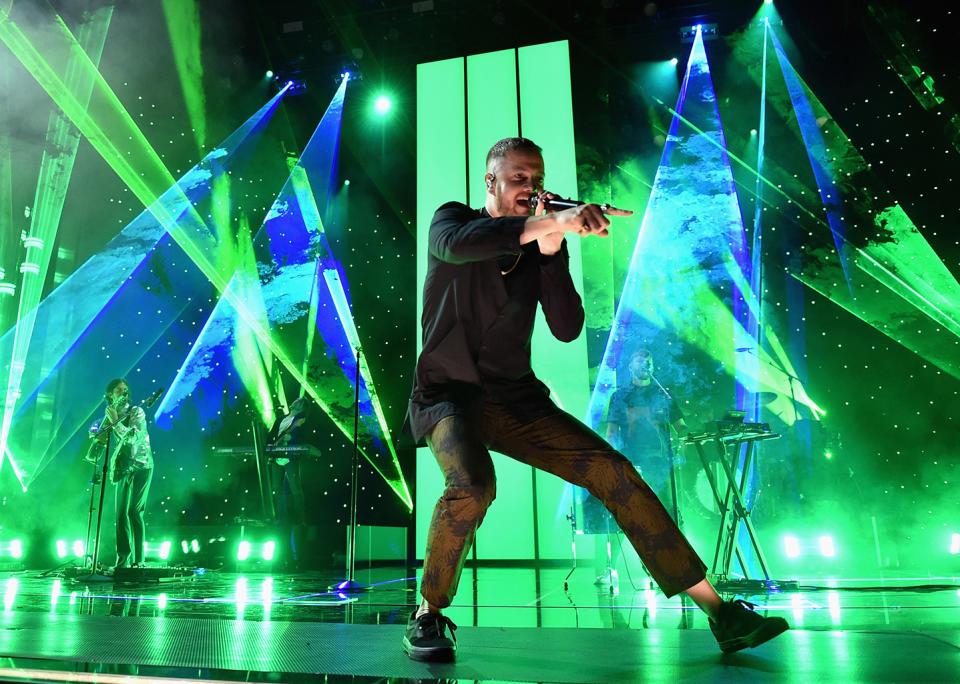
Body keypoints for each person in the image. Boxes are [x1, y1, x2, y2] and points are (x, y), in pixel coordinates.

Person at [403, 137, 788, 661]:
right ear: (491, 182)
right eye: (518, 177)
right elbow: (463, 245)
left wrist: (553, 251)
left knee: (615, 472)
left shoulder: (539, 245)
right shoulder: (451, 220)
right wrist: (553, 222)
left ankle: (721, 613)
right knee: (472, 485)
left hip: (516, 400)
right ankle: (428, 613)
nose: (530, 187)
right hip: (449, 394)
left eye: (536, 178)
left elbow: (566, 327)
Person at [588, 349, 688, 584]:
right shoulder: (621, 396)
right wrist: (612, 461)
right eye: (640, 360)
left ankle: (678, 564)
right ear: (630, 366)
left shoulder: (664, 395)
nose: (646, 364)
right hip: (632, 463)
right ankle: (610, 568)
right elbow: (612, 432)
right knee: (626, 514)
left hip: (661, 466)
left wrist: (686, 442)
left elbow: (681, 427)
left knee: (669, 514)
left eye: (650, 361)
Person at [99, 378, 154, 570]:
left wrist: (115, 421)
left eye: (125, 390)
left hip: (142, 465)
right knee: (121, 513)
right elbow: (100, 437)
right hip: (123, 466)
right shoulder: (111, 414)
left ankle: (139, 561)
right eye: (118, 390)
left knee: (134, 511)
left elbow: (131, 437)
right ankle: (122, 561)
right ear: (110, 394)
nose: (123, 393)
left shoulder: (136, 412)